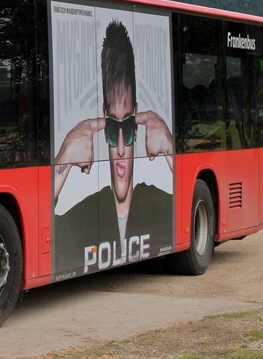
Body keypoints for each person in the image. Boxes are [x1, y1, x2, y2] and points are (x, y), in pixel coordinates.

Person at [52, 19, 174, 276]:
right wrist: (62, 160)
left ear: (139, 121)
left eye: (128, 128)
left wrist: (171, 150)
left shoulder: (162, 202)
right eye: (111, 129)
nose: (120, 148)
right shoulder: (84, 213)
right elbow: (39, 230)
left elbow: (182, 207)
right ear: (103, 117)